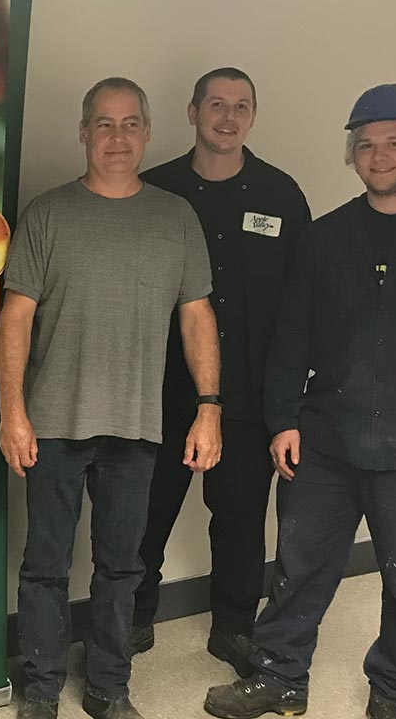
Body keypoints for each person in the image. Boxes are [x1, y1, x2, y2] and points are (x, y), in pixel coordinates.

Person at [204, 84, 396, 719]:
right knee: (296, 569)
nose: (379, 155)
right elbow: (291, 337)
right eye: (365, 144)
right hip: (325, 444)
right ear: (352, 154)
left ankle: (395, 692)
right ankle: (280, 677)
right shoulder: (326, 237)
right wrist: (283, 419)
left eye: (395, 142)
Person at [0, 77, 222, 719]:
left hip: (136, 425)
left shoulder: (176, 217)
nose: (117, 136)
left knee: (122, 567)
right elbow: (15, 318)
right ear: (83, 132)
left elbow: (196, 315)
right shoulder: (47, 214)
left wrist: (209, 405)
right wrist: (13, 411)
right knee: (44, 564)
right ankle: (40, 688)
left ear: (148, 132)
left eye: (129, 124)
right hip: (53, 423)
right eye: (103, 123)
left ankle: (107, 686)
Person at [131, 68, 311, 671]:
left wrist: (290, 398)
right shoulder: (153, 191)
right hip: (158, 392)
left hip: (249, 397)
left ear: (252, 117)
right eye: (216, 105)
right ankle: (131, 619)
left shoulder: (283, 196)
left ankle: (233, 627)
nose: (228, 118)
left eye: (241, 107)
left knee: (238, 523)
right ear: (192, 112)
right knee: (144, 514)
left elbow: (300, 303)